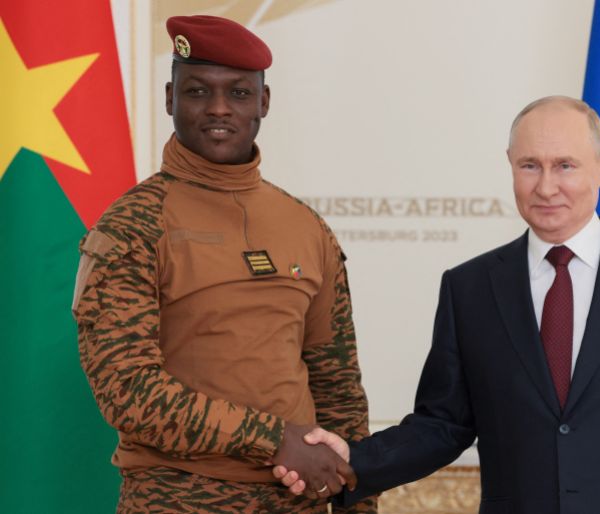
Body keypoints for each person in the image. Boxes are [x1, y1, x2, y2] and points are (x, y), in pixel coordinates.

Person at [275, 96, 600, 513]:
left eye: (565, 165)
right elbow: (442, 424)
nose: (545, 187)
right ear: (509, 165)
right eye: (529, 166)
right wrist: (353, 461)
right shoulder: (470, 287)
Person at [72, 15, 376, 514]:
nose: (218, 109)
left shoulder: (306, 227)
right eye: (197, 92)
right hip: (178, 498)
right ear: (170, 98)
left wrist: (358, 501)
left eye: (238, 93)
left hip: (297, 501)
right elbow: (128, 391)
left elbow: (338, 388)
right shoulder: (132, 226)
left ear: (264, 101)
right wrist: (274, 438)